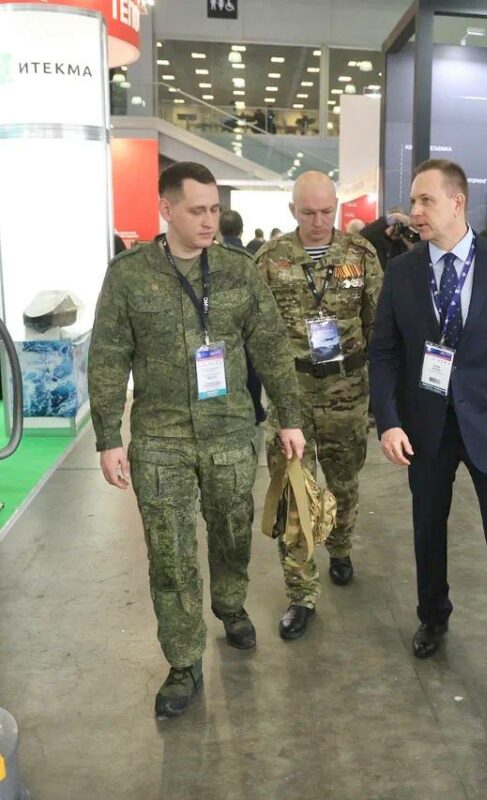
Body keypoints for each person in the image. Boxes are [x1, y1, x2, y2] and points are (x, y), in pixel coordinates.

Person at [88, 162, 305, 719]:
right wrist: (109, 436)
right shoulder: (129, 275)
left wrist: (290, 416)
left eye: (214, 210)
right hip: (160, 437)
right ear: (166, 209)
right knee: (170, 552)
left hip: (230, 429)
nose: (209, 221)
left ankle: (230, 605)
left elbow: (270, 345)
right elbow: (108, 357)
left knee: (232, 531)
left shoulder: (238, 270)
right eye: (196, 210)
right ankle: (184, 660)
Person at [369, 159, 487, 704]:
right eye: (413, 201)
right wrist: (389, 421)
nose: (415, 211)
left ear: (457, 202)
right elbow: (384, 352)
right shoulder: (402, 271)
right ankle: (433, 616)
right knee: (428, 529)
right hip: (424, 427)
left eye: (425, 200)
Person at [255, 170, 383, 639]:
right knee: (295, 492)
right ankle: (301, 594)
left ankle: (341, 546)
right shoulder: (270, 260)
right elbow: (257, 332)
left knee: (344, 482)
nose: (318, 221)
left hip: (347, 390)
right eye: (308, 212)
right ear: (293, 210)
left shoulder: (359, 254)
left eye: (327, 211)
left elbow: (377, 323)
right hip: (290, 394)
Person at [219, 209, 268, 424]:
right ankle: (255, 410)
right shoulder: (252, 258)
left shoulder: (209, 258)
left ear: (220, 230)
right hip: (248, 326)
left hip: (219, 328)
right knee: (252, 370)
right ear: (241, 230)